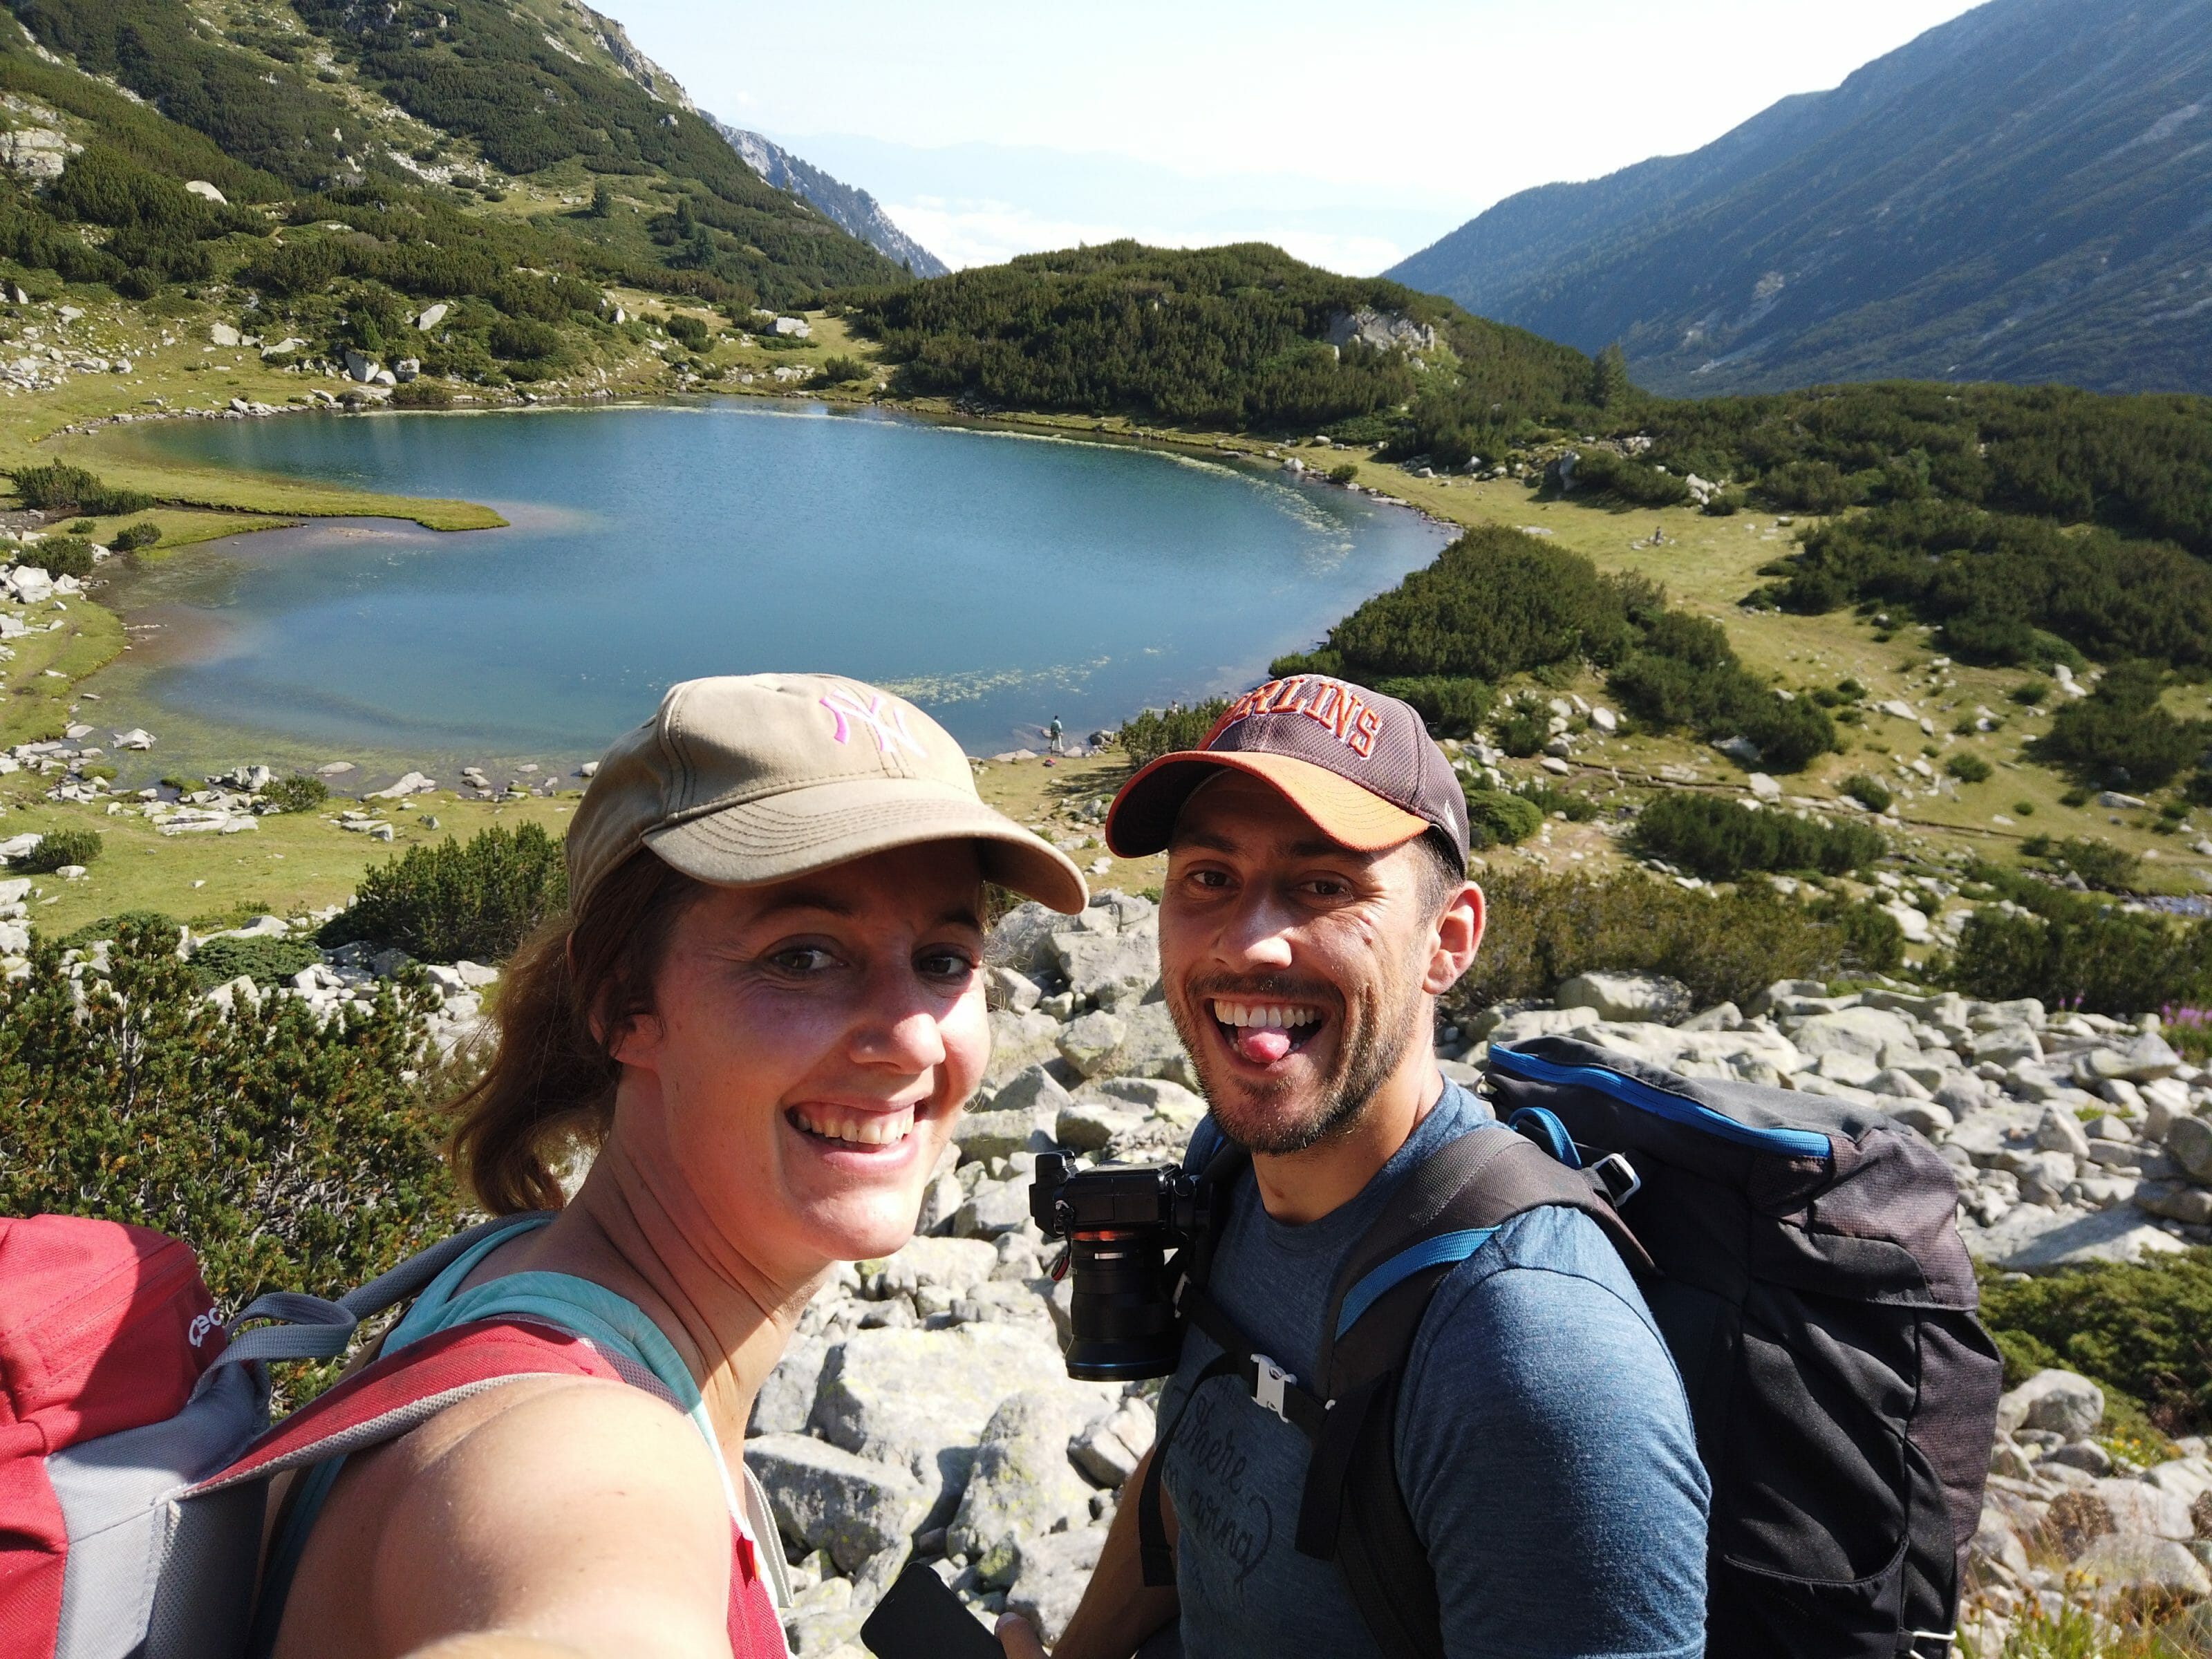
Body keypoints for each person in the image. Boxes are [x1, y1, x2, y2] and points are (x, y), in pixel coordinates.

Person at [262, 673, 1087, 1658]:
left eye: (946, 959)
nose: (911, 1038)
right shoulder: (580, 1446)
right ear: (623, 1005)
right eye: (804, 956)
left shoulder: (516, 1263)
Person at [1002, 675, 1707, 1659]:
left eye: (1325, 885)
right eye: (1208, 878)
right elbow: (1198, 1471)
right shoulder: (1234, 1167)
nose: (1250, 941)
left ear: (1447, 942)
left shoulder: (1532, 1359)